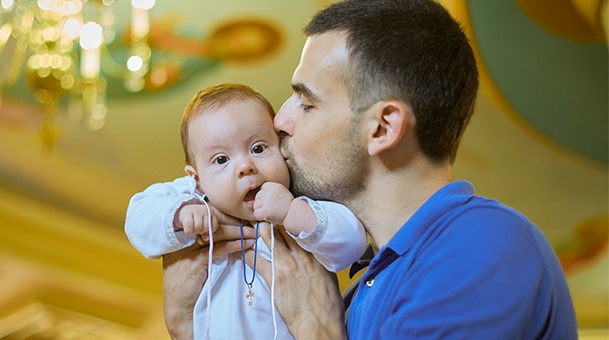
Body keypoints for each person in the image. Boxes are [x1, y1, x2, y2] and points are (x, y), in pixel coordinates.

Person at [161, 0, 579, 339]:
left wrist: (316, 329)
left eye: (306, 102)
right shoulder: (363, 283)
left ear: (382, 127)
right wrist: (186, 328)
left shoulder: (482, 245)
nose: (281, 121)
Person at [125, 83, 367, 339]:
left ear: (283, 151)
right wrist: (180, 214)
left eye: (258, 148)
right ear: (196, 178)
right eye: (221, 159)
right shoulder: (194, 196)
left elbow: (351, 242)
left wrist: (291, 212)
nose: (245, 166)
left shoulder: (298, 199)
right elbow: (138, 219)